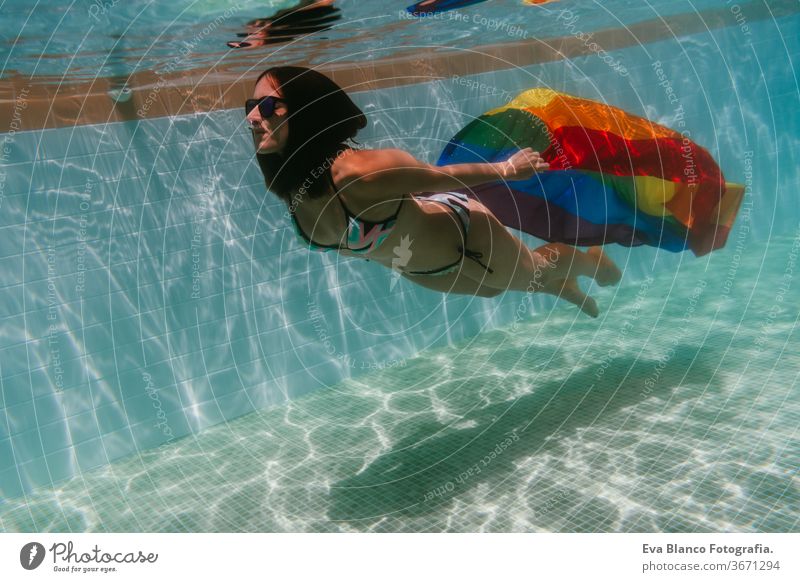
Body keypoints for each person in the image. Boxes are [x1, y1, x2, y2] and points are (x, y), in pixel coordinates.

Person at [246, 66, 621, 318]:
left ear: (308, 111)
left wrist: (507, 170)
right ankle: (558, 286)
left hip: (465, 237)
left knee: (528, 273)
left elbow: (438, 178)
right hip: (421, 268)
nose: (251, 117)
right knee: (495, 289)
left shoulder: (358, 171)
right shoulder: (294, 189)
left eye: (266, 105)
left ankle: (590, 262)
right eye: (250, 106)